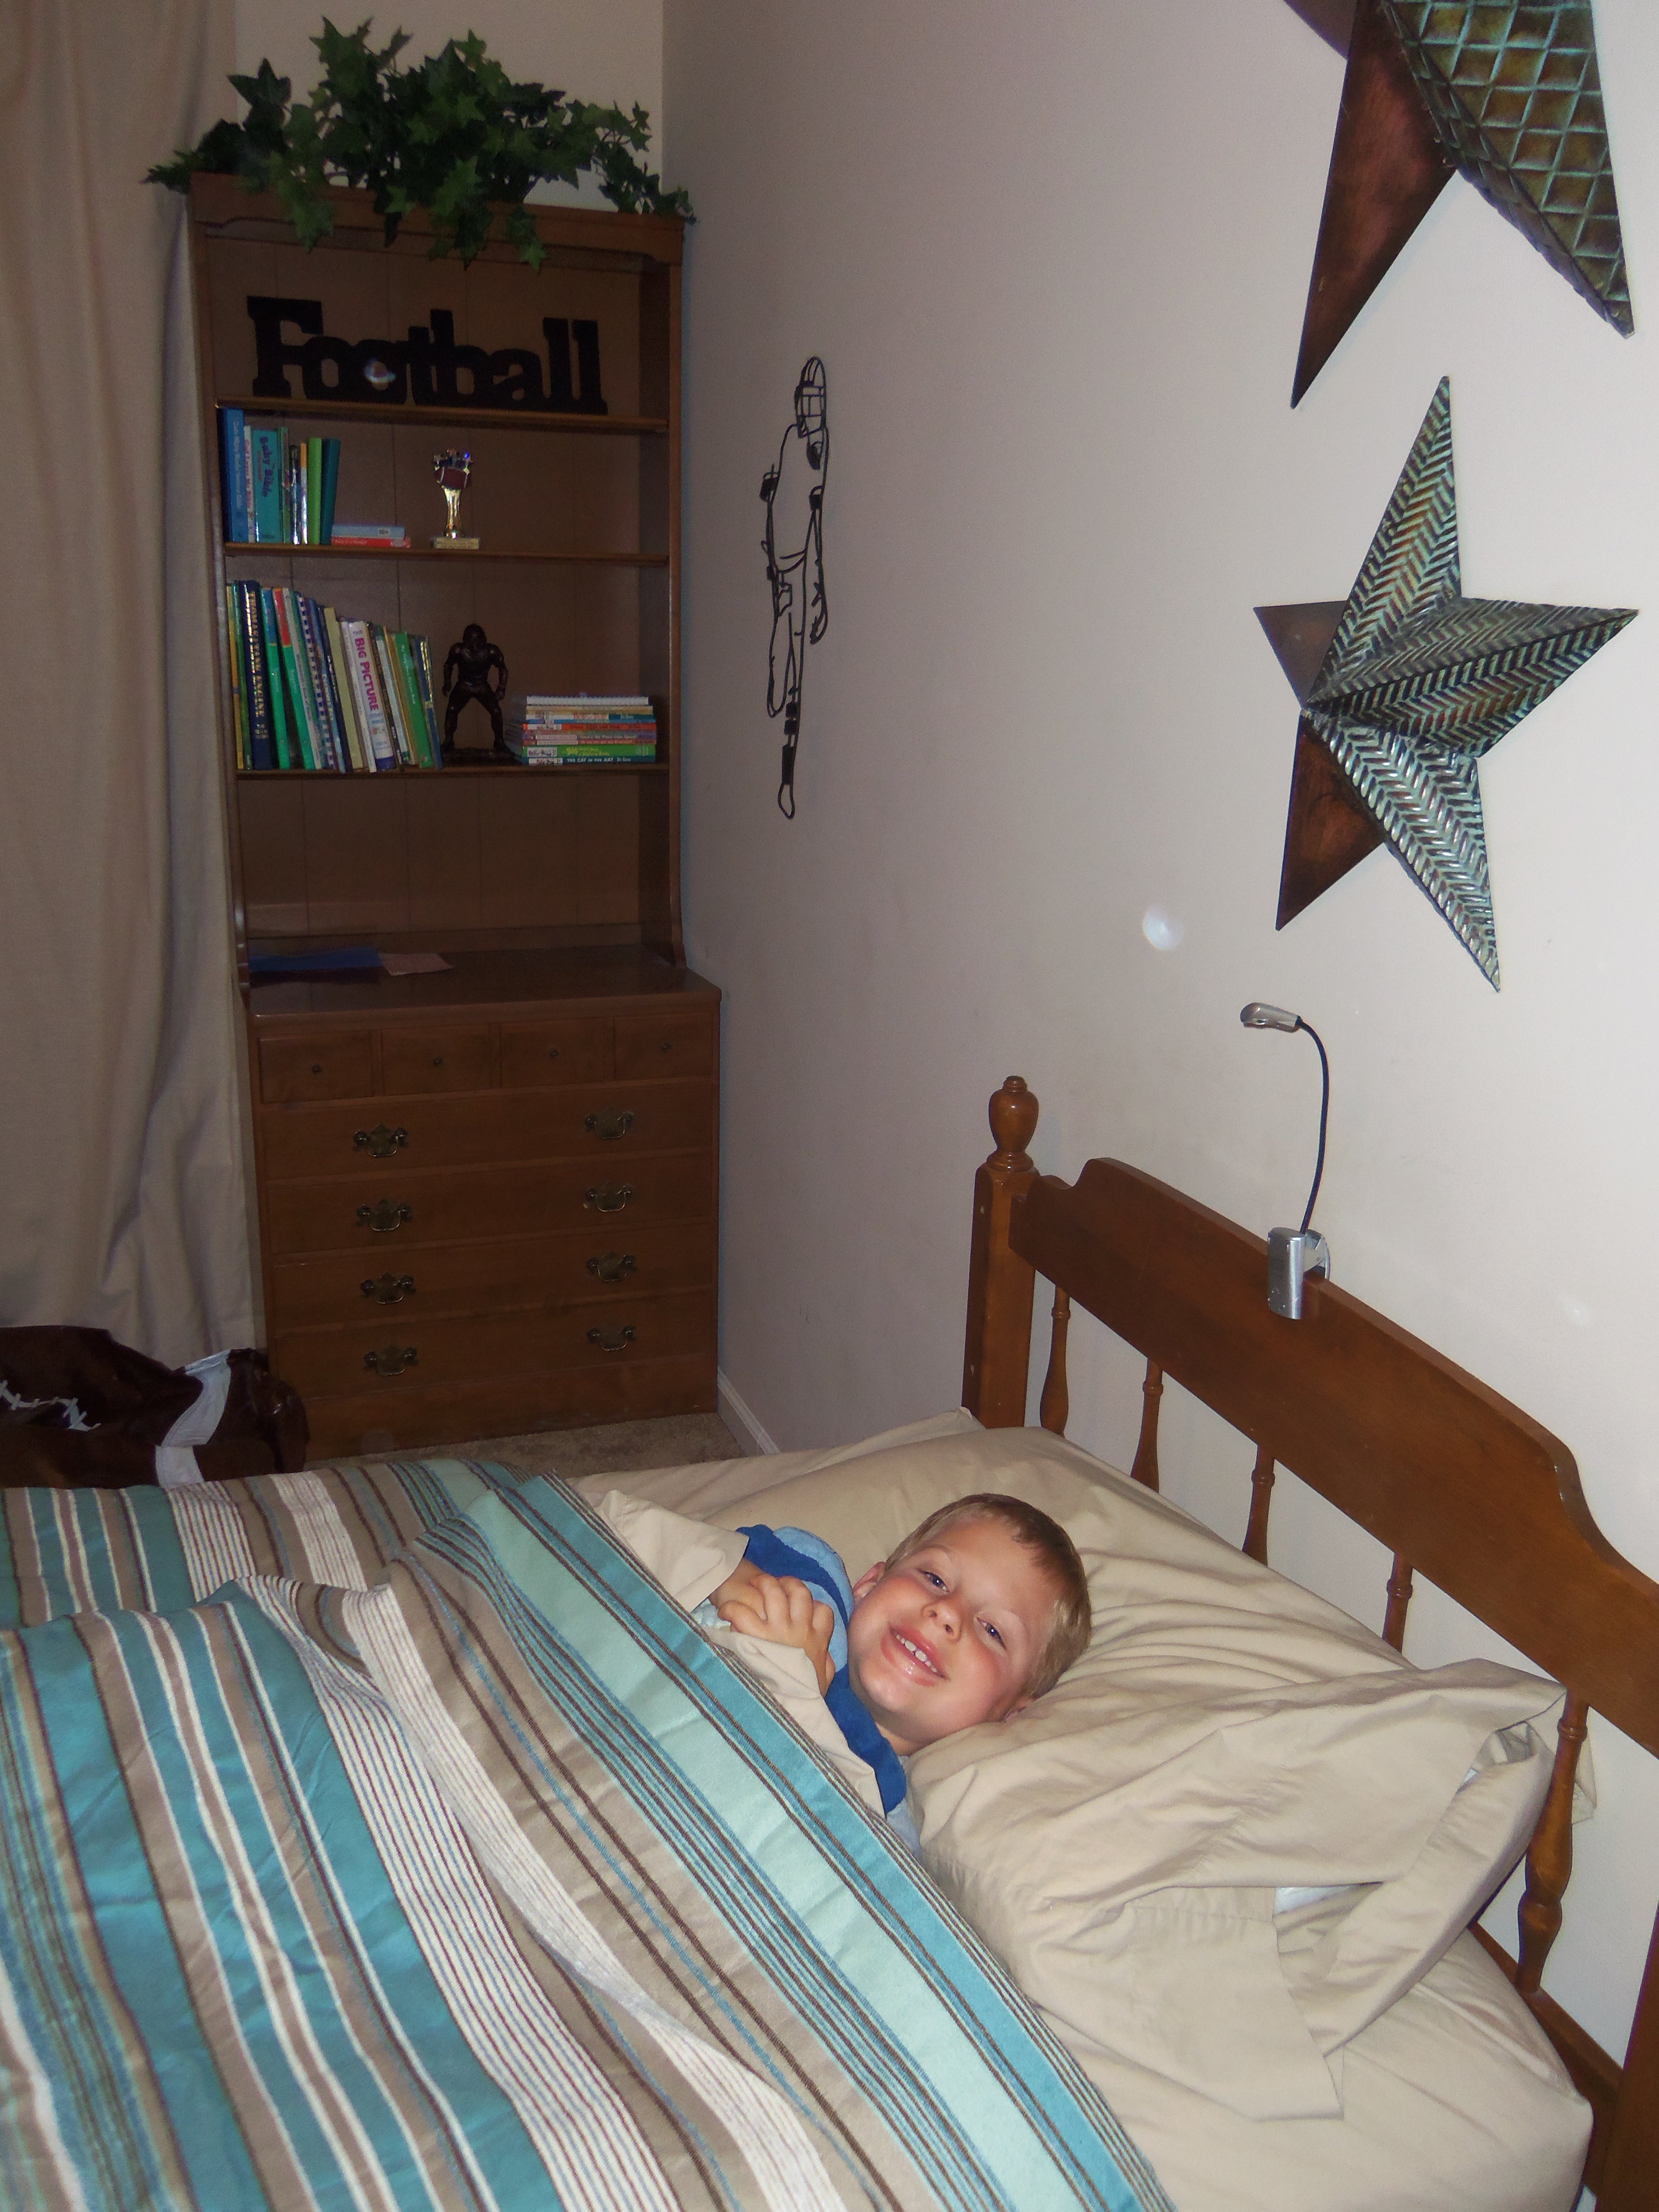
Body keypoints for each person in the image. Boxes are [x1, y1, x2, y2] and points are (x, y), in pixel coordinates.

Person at [700, 1493, 1091, 1836]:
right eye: (935, 1579)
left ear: (1011, 1713)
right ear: (870, 1584)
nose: (946, 1612)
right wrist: (737, 1581)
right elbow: (684, 1548)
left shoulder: (885, 1814)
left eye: (993, 1631)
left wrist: (800, 1695)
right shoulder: (809, 1581)